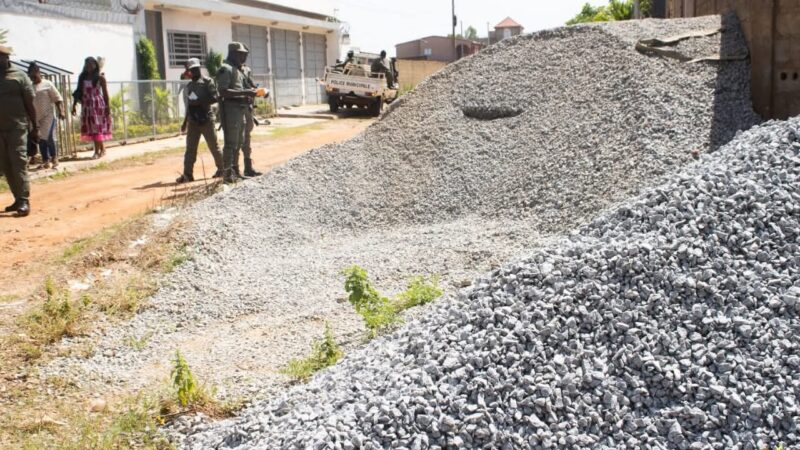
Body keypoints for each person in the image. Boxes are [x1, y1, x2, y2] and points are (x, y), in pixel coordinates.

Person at [0, 44, 37, 216]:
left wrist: (35, 126)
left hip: (17, 127)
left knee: (19, 161)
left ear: (7, 58)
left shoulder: (20, 76)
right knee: (6, 164)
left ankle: (24, 200)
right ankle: (17, 198)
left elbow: (30, 103)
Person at [215, 42, 257, 184]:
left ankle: (236, 172)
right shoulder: (225, 69)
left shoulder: (237, 69)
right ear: (233, 53)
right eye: (241, 54)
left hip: (240, 109)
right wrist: (245, 92)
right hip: (231, 110)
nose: (243, 58)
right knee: (231, 143)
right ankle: (227, 175)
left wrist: (248, 94)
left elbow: (241, 88)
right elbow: (223, 91)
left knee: (239, 142)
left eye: (245, 55)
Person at [176, 58, 223, 183]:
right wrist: (185, 122)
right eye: (192, 70)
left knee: (214, 146)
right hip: (193, 120)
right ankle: (187, 175)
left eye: (196, 69)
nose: (194, 71)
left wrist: (200, 101)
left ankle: (223, 170)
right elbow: (190, 105)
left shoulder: (208, 81)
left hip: (206, 118)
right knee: (190, 148)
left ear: (199, 68)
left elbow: (215, 97)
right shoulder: (189, 84)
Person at [72, 56, 112, 159]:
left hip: (97, 105)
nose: (89, 66)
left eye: (91, 64)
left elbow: (105, 93)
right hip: (87, 106)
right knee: (92, 129)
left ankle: (97, 152)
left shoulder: (100, 77)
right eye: (87, 65)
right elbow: (78, 92)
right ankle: (102, 149)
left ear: (95, 65)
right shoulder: (82, 77)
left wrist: (108, 107)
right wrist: (74, 105)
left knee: (97, 128)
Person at [27, 62, 65, 170]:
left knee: (49, 137)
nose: (33, 77)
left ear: (39, 72)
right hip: (36, 118)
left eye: (34, 74)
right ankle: (45, 160)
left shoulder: (47, 84)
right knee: (40, 139)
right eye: (30, 75)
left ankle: (54, 158)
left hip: (48, 116)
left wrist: (61, 111)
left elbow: (58, 99)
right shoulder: (30, 87)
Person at [239, 61, 262, 178]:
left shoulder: (246, 70)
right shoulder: (232, 71)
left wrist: (258, 91)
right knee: (237, 140)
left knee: (246, 137)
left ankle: (248, 168)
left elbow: (251, 84)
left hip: (247, 108)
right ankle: (233, 171)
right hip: (237, 110)